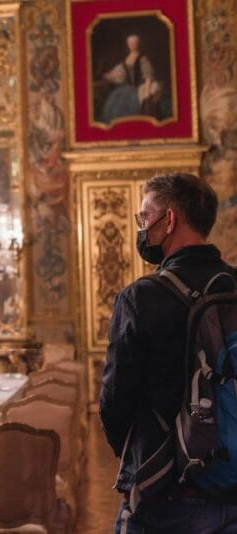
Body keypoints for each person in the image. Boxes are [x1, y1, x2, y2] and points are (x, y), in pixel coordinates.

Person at [100, 173, 237, 533]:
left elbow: (115, 400)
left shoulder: (141, 296)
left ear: (169, 219)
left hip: (167, 485)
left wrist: (140, 454)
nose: (143, 228)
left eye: (145, 218)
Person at [97, 34, 166, 124]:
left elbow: (148, 76)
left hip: (140, 87)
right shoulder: (127, 58)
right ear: (127, 44)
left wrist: (147, 93)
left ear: (139, 44)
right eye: (130, 43)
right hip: (128, 88)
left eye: (134, 43)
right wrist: (110, 75)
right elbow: (120, 71)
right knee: (115, 104)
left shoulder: (142, 58)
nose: (132, 45)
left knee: (133, 107)